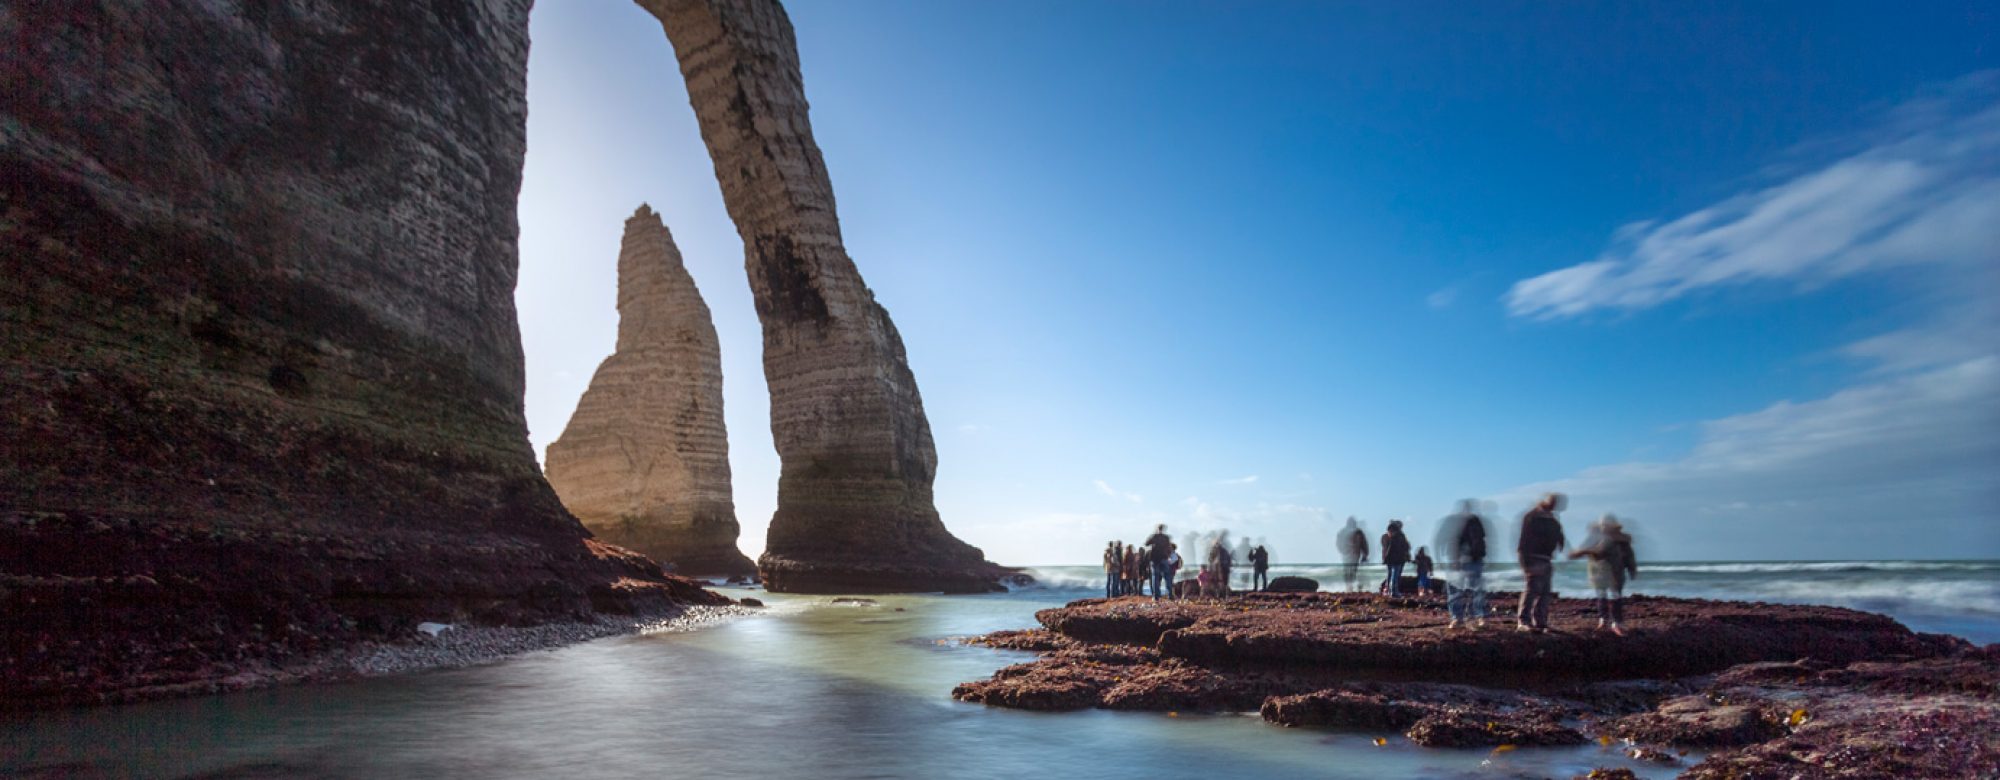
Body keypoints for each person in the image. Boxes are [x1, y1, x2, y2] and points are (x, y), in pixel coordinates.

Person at [1569, 514, 1638, 636]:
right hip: (1598, 572)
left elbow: (1629, 555)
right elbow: (1583, 549)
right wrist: (1578, 553)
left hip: (1615, 572)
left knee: (1615, 596)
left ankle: (1617, 623)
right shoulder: (1594, 537)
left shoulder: (1621, 540)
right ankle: (1603, 620)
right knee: (1601, 595)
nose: (1604, 527)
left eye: (1607, 525)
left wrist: (1632, 569)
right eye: (1603, 525)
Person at [1516, 493, 1568, 633]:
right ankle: (1523, 621)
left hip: (1546, 558)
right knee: (1531, 590)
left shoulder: (1552, 519)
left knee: (1545, 592)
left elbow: (1559, 536)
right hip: (1532, 557)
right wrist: (1525, 563)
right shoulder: (1533, 517)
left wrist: (1562, 545)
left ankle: (1541, 621)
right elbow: (1523, 542)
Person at [1443, 500, 1489, 629]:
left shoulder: (1475, 521)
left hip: (1474, 558)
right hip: (1461, 559)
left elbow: (1481, 540)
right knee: (1457, 590)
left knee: (1476, 589)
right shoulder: (1456, 522)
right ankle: (1458, 618)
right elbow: (1452, 540)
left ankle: (1478, 617)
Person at [1337, 517, 1370, 591]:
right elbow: (1364, 543)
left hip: (1352, 554)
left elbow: (1363, 543)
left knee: (1350, 570)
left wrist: (1365, 554)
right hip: (1351, 554)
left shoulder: (1344, 531)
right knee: (1350, 570)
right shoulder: (1355, 532)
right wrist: (1365, 553)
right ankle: (1350, 586)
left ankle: (1350, 586)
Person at [1144, 524, 1176, 600]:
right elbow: (1169, 547)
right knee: (1167, 577)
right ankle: (1170, 595)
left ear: (1157, 528)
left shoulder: (1154, 536)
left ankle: (1156, 596)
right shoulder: (1166, 537)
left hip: (1155, 559)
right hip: (1164, 558)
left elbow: (1146, 543)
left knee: (1155, 577)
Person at [1381, 520, 1411, 596]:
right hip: (1397, 559)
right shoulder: (1399, 536)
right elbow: (1406, 547)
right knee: (1395, 575)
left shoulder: (1386, 536)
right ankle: (1393, 591)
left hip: (1390, 559)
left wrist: (1385, 558)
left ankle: (1388, 590)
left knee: (1390, 574)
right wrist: (1407, 557)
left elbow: (1385, 548)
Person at [1206, 534, 1234, 598]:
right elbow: (1210, 559)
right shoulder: (1223, 551)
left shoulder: (1215, 550)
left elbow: (1210, 560)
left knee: (1219, 582)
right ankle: (1223, 595)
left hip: (1219, 569)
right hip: (1221, 569)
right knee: (1223, 582)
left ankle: (1221, 595)